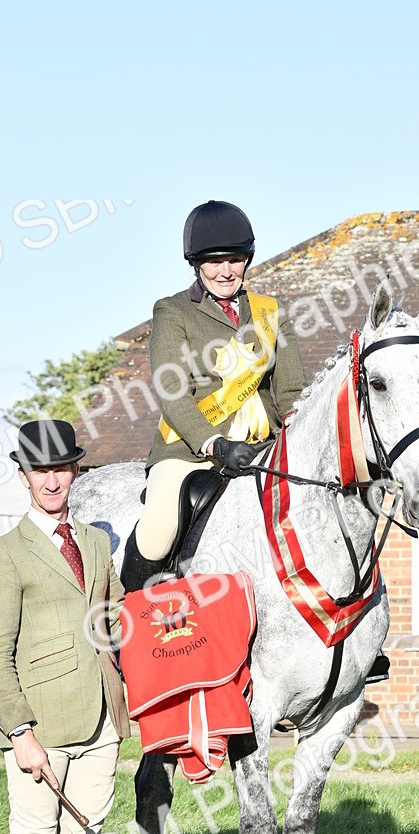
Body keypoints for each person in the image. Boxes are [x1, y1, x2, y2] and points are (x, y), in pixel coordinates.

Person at [0, 419, 130, 834]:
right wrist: (19, 731)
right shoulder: (4, 554)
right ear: (24, 477)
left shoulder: (94, 543)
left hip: (100, 723)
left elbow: (116, 618)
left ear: (74, 472)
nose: (51, 480)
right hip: (37, 728)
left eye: (61, 468)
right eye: (40, 470)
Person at [120, 199, 306, 591]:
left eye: (234, 259)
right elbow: (172, 391)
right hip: (191, 449)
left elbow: (290, 391)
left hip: (263, 449)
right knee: (158, 529)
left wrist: (295, 431)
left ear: (247, 260)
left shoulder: (271, 312)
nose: (225, 271)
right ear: (196, 264)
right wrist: (213, 443)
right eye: (215, 261)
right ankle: (126, 622)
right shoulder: (173, 312)